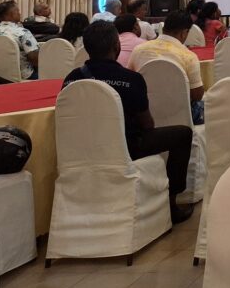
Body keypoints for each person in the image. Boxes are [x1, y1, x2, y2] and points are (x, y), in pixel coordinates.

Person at [63, 21, 194, 224]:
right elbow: (147, 125)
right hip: (126, 147)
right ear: (116, 46)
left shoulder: (71, 79)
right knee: (183, 134)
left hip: (84, 146)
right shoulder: (131, 79)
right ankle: (171, 202)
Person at [129, 11, 205, 124]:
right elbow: (197, 95)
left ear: (164, 28)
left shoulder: (138, 50)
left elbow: (131, 80)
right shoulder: (188, 56)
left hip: (145, 115)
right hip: (179, 116)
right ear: (184, 33)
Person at [0, 1, 39, 79]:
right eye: (18, 11)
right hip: (23, 76)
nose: (20, 14)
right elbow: (34, 58)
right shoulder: (22, 32)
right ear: (11, 14)